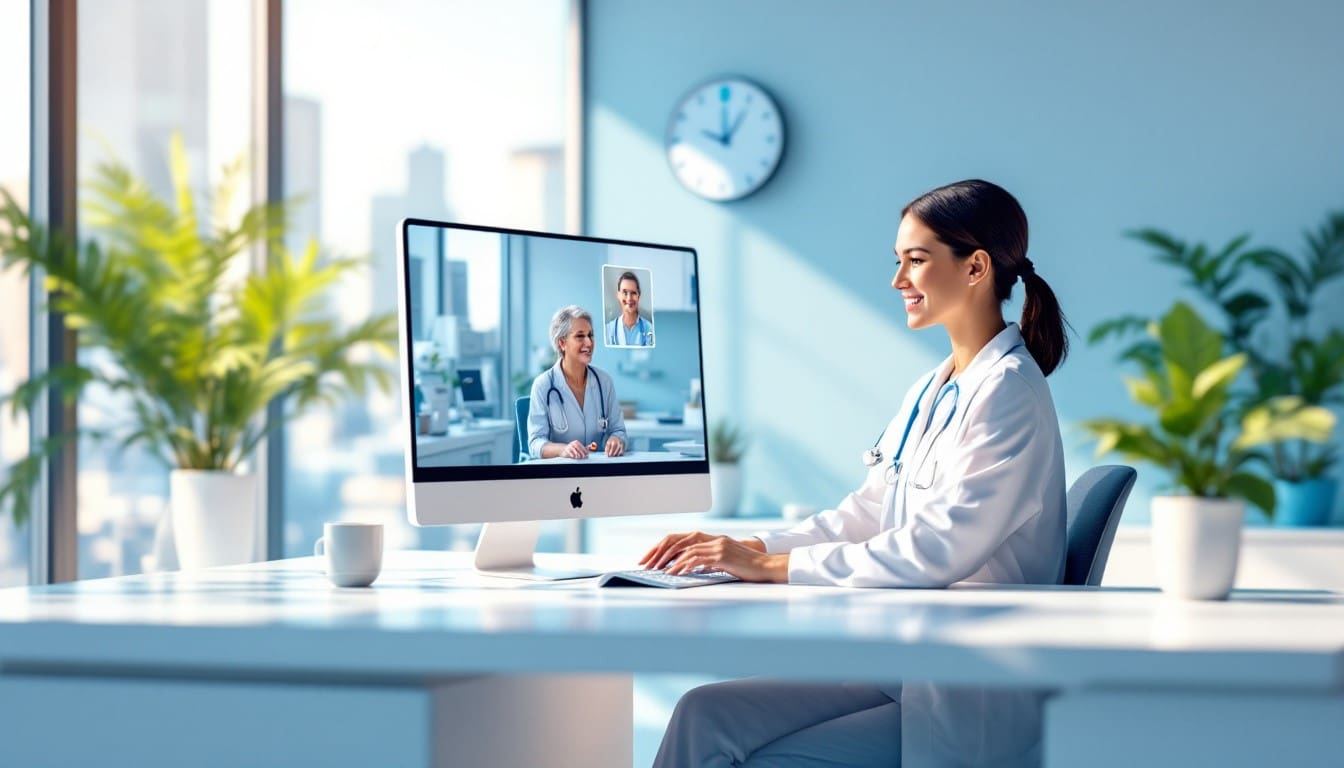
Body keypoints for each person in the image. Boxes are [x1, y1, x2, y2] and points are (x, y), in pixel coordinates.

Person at [645, 179, 1071, 767]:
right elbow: (865, 513)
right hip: (904, 668)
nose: (898, 280)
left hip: (965, 693)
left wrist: (772, 568)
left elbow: (938, 548)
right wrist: (746, 547)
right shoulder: (936, 385)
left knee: (738, 747)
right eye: (898, 261)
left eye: (915, 261)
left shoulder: (1010, 392)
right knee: (703, 712)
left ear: (975, 269)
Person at [528, 305, 628, 459]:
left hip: (598, 473)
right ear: (562, 343)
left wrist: (616, 439)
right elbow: (535, 444)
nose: (589, 342)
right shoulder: (543, 385)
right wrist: (562, 450)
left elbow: (618, 430)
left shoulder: (604, 382)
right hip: (560, 476)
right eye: (580, 336)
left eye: (591, 335)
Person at [605, 270, 653, 346]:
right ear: (618, 295)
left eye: (633, 293)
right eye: (625, 292)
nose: (629, 298)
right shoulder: (608, 330)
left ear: (638, 295)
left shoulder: (649, 329)